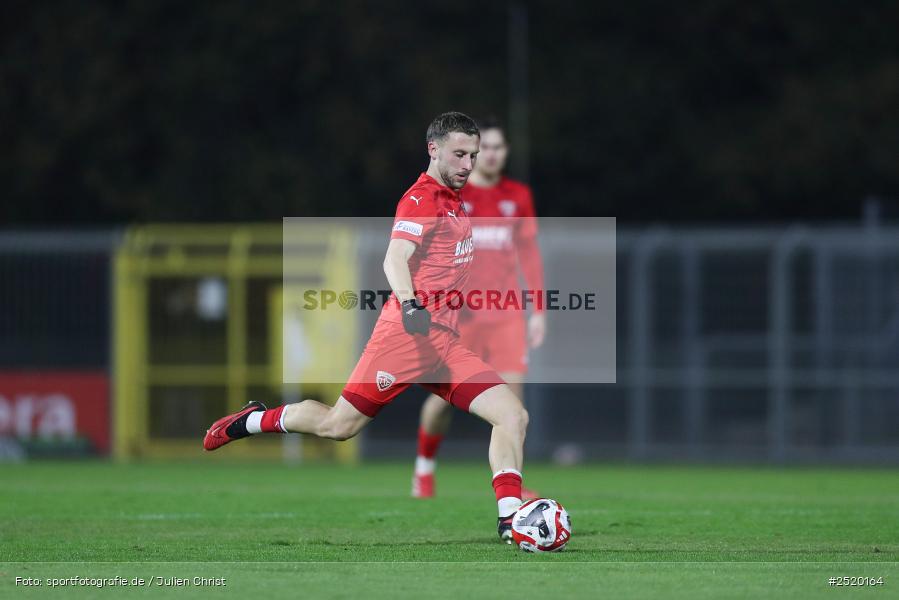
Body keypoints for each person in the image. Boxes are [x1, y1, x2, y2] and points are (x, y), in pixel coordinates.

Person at [203, 112, 530, 542]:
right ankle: (253, 420)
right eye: (459, 154)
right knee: (338, 426)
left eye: (473, 155)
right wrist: (411, 305)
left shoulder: (454, 198)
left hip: (444, 344)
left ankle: (511, 519)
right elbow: (395, 258)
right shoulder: (422, 199)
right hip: (405, 338)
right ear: (433, 150)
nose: (468, 164)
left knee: (511, 415)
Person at [412, 118, 545, 499]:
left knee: (513, 408)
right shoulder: (452, 193)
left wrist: (538, 310)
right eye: (484, 147)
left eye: (498, 147)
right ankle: (424, 467)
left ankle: (512, 487)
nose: (490, 154)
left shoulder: (517, 195)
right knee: (441, 403)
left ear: (505, 153)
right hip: (460, 317)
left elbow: (529, 253)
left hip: (506, 316)